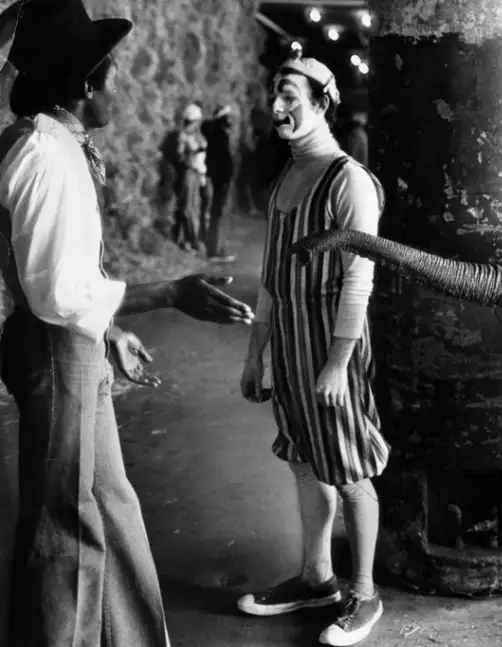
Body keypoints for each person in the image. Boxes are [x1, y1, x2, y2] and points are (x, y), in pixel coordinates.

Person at [0, 1, 255, 645]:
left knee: (107, 502)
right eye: (114, 77)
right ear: (84, 85)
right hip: (56, 348)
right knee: (65, 525)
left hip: (72, 339)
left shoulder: (53, 142)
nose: (123, 88)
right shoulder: (43, 153)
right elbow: (54, 289)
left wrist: (108, 329)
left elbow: (52, 270)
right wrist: (168, 291)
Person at [237, 47, 388, 647]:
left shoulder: (347, 180)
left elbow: (360, 277)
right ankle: (316, 577)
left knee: (350, 471)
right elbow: (272, 279)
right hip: (293, 348)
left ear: (322, 103)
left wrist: (336, 363)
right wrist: (256, 355)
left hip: (332, 349)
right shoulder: (285, 180)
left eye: (290, 97)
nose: (277, 107)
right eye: (274, 95)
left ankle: (366, 594)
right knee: (304, 460)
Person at [200, 103, 237, 262]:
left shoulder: (215, 132)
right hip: (221, 178)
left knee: (218, 214)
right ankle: (215, 251)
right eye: (227, 116)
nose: (230, 120)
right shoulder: (219, 133)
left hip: (219, 177)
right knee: (219, 214)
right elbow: (223, 159)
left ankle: (217, 249)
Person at [171, 102, 207, 253]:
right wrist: (190, 154)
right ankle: (191, 240)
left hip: (196, 173)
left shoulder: (195, 136)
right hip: (188, 173)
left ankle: (188, 239)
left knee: (193, 207)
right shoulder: (184, 136)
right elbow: (179, 156)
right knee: (187, 208)